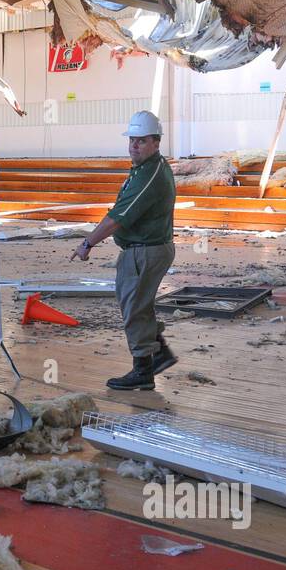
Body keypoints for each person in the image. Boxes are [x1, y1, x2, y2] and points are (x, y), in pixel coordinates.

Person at [70, 110, 178, 391]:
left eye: (141, 141)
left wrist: (87, 243)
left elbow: (117, 218)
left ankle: (144, 369)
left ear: (156, 142)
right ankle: (158, 355)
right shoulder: (147, 168)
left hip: (145, 251)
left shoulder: (149, 176)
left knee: (134, 310)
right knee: (139, 305)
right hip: (146, 248)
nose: (134, 146)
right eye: (132, 140)